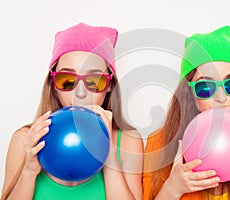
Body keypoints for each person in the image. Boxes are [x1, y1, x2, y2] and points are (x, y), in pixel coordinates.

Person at [1, 23, 143, 200]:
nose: (80, 92)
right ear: (53, 84)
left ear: (109, 85)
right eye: (67, 80)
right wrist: (29, 170)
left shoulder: (128, 140)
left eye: (94, 81)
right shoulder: (25, 139)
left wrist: (109, 153)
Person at [143, 26, 230, 199]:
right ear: (188, 94)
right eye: (206, 87)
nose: (221, 98)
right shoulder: (159, 142)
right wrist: (173, 188)